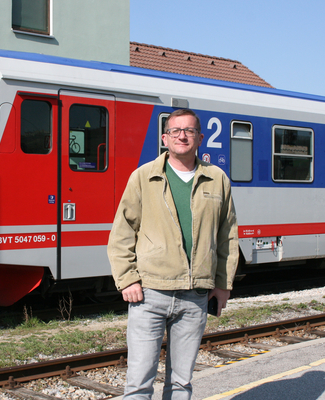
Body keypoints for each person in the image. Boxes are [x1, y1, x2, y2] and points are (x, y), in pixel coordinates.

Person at [107, 108, 239, 399]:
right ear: (165, 138)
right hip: (150, 294)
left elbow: (227, 236)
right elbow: (122, 233)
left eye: (189, 130)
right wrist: (127, 279)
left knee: (181, 384)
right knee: (139, 384)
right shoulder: (143, 177)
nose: (183, 136)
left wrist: (223, 284)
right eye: (176, 131)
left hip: (195, 296)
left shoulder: (217, 179)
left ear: (200, 138)